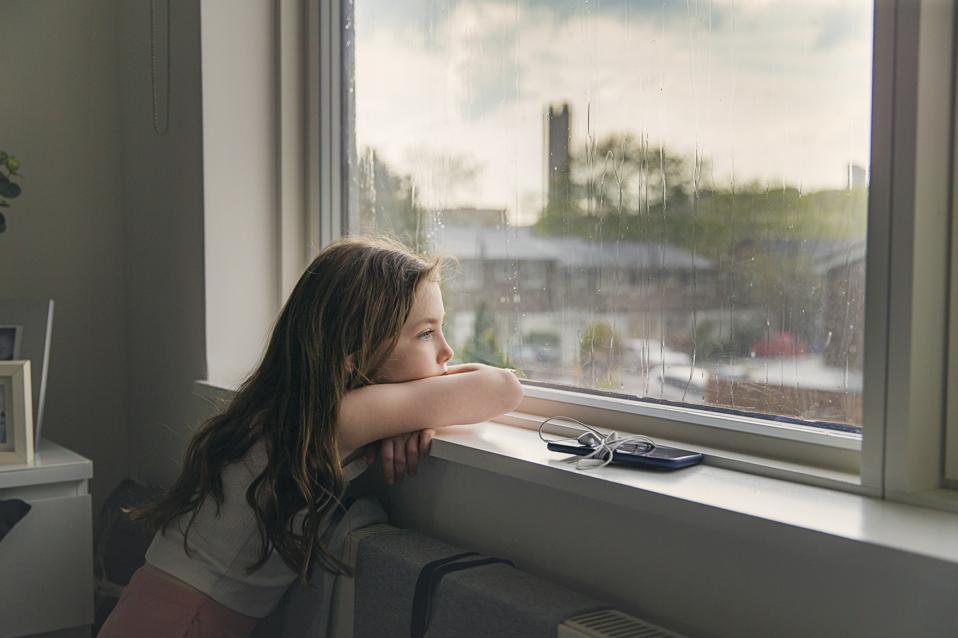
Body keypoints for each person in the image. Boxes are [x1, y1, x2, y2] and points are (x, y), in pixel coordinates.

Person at [97, 236, 523, 637]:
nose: (447, 352)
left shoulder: (288, 408)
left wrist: (410, 414)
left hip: (155, 608)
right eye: (427, 333)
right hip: (186, 625)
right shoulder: (331, 419)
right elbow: (504, 388)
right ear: (354, 357)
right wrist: (415, 408)